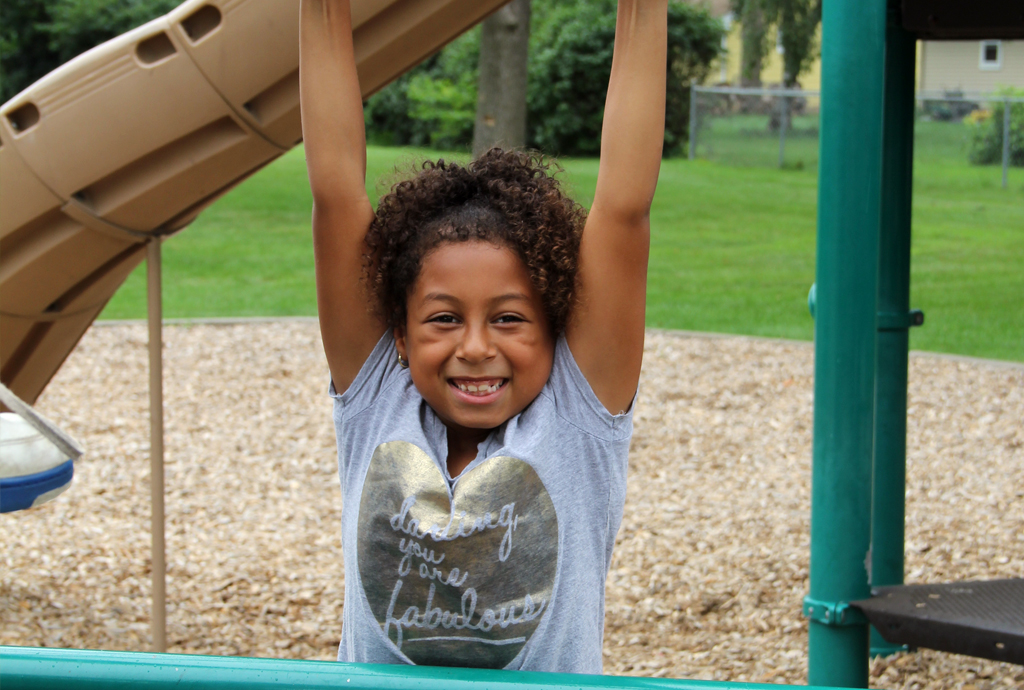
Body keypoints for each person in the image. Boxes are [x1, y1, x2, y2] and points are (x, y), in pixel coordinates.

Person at [300, 0, 666, 674]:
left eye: (509, 317)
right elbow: (334, 191)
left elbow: (624, 206)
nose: (474, 346)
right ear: (400, 339)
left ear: (556, 328)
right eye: (443, 318)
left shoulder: (577, 418)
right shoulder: (379, 395)